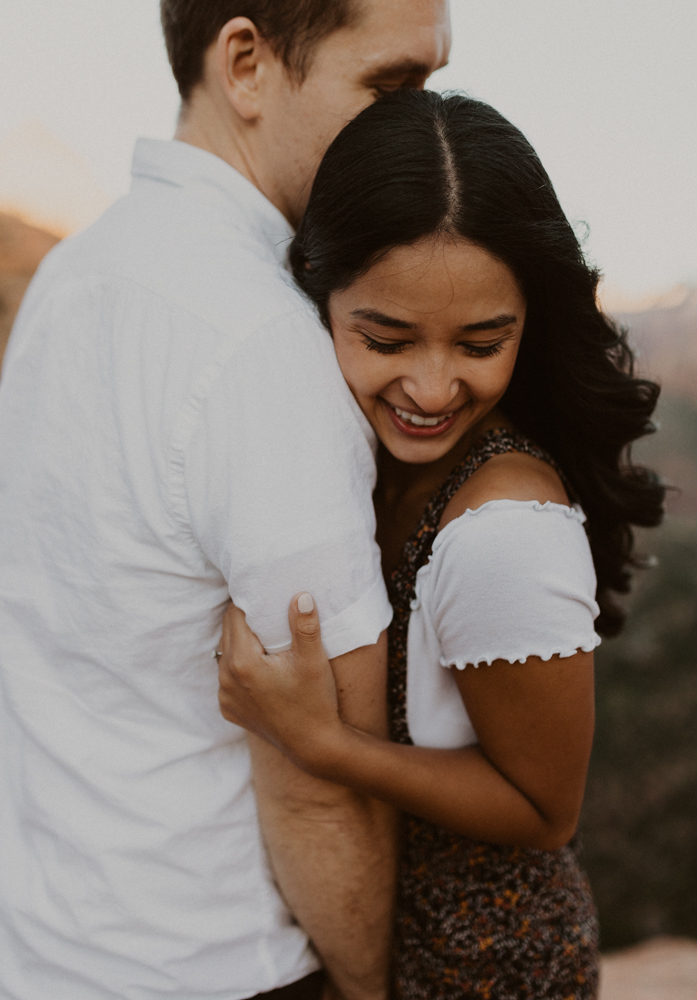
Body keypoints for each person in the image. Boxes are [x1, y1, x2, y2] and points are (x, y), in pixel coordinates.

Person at [0, 5, 451, 1000]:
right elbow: (318, 784)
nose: (423, 129)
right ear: (245, 65)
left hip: (50, 953)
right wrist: (374, 989)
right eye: (391, 87)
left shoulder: (75, 276)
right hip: (223, 966)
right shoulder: (263, 342)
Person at [216, 91, 665, 1000]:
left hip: (487, 970)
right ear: (317, 295)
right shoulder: (358, 457)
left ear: (528, 322)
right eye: (383, 338)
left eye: (481, 342)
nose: (430, 386)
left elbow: (545, 811)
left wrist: (321, 744)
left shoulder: (504, 533)